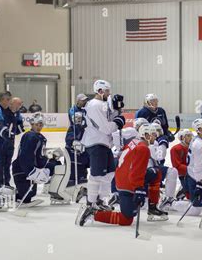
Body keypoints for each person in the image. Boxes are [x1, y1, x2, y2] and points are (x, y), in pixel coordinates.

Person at [76, 124, 154, 226]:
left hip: (121, 179)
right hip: (126, 183)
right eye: (153, 134)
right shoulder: (144, 148)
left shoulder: (134, 142)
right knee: (126, 219)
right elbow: (136, 172)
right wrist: (139, 189)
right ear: (146, 135)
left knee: (155, 173)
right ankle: (93, 213)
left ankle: (151, 206)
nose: (155, 137)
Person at [80, 80, 126, 212]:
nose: (108, 94)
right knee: (97, 175)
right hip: (96, 143)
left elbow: (109, 119)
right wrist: (119, 121)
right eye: (106, 91)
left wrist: (117, 111)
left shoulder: (102, 104)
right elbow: (106, 128)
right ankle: (91, 203)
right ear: (99, 91)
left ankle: (100, 199)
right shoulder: (94, 105)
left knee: (110, 172)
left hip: (104, 144)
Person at [11, 113, 61, 207]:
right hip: (22, 170)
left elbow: (37, 156)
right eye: (37, 125)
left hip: (27, 168)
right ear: (32, 124)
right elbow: (25, 156)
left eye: (41, 125)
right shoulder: (31, 137)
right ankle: (17, 197)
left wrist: (48, 160)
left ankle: (47, 186)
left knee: (55, 165)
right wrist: (31, 171)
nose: (39, 127)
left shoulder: (38, 137)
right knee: (27, 196)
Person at [160, 129, 194, 210]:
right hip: (185, 175)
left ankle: (183, 191)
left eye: (191, 136)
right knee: (191, 197)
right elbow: (177, 166)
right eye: (188, 136)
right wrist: (191, 170)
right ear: (182, 137)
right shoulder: (176, 149)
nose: (191, 138)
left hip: (193, 174)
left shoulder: (193, 148)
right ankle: (171, 201)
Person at [65, 94, 89, 188]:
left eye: (85, 100)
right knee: (73, 160)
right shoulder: (73, 110)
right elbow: (76, 121)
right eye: (83, 100)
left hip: (84, 136)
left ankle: (82, 179)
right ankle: (72, 181)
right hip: (75, 135)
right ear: (78, 101)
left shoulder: (85, 109)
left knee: (83, 159)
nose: (85, 102)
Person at [3, 97, 25, 190]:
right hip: (1, 143)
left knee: (7, 163)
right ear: (12, 103)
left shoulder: (17, 114)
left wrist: (15, 130)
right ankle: (0, 184)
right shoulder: (3, 112)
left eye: (20, 105)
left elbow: (19, 129)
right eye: (18, 104)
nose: (20, 107)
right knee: (1, 164)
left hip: (10, 143)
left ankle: (6, 183)